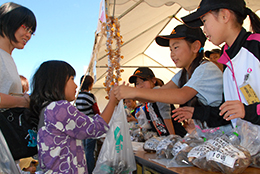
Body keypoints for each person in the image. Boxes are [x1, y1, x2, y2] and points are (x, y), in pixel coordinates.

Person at [114, 24, 232, 138]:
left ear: (195, 47)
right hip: (210, 136)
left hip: (228, 134)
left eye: (176, 47)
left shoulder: (206, 68)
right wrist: (126, 94)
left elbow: (181, 95)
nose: (172, 54)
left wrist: (133, 92)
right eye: (170, 49)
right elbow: (159, 94)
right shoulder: (183, 74)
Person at [181, 0, 260, 128]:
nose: (204, 30)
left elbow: (243, 111)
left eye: (205, 21)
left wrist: (248, 111)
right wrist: (197, 113)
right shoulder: (227, 61)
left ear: (225, 16)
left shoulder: (256, 47)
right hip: (249, 144)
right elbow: (228, 112)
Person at [29, 60, 118, 173]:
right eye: (71, 79)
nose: (76, 85)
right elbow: (96, 127)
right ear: (57, 82)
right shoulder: (59, 108)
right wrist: (112, 101)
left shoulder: (46, 108)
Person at [0, 2, 36, 173]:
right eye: (26, 28)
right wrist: (22, 101)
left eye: (31, 31)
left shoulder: (8, 57)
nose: (28, 35)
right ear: (8, 21)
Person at [127, 67, 187, 137]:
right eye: (137, 83)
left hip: (177, 136)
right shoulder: (148, 100)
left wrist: (172, 137)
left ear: (153, 80)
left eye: (143, 81)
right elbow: (154, 120)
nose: (140, 86)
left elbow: (166, 116)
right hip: (165, 138)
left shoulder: (158, 93)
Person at [75, 75, 101, 174]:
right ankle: (89, 172)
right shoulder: (90, 96)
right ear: (90, 84)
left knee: (82, 151)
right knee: (89, 152)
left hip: (79, 128)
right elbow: (96, 112)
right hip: (90, 127)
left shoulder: (77, 96)